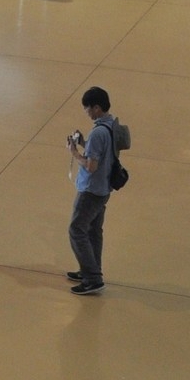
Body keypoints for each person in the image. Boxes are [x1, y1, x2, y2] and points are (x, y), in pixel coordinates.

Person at [64, 85, 121, 295]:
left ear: (96, 108)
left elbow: (91, 165)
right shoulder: (111, 126)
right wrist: (85, 143)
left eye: (87, 109)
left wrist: (75, 151)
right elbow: (102, 152)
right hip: (104, 188)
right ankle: (92, 269)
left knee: (76, 229)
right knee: (93, 231)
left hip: (91, 190)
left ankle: (92, 278)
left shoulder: (98, 132)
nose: (86, 113)